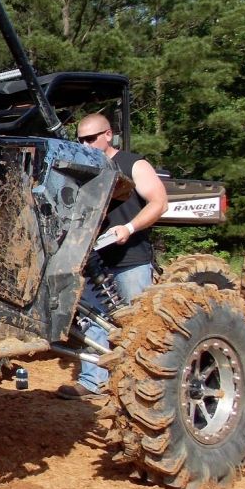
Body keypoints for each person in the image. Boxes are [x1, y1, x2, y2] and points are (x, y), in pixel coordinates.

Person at [57, 112, 168, 400]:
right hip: (93, 260)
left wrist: (129, 227)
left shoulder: (133, 164)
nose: (85, 144)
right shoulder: (82, 167)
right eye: (80, 139)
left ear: (108, 135)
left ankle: (144, 386)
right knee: (91, 321)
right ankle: (94, 383)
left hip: (130, 258)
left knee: (139, 324)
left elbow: (159, 202)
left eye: (91, 138)